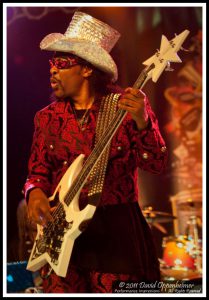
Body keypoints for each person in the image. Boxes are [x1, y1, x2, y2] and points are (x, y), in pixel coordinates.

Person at [24, 11, 168, 293]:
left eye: (62, 64)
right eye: (52, 64)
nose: (53, 70)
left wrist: (142, 121)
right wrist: (35, 192)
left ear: (87, 69)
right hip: (62, 232)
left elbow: (157, 164)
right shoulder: (46, 117)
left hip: (115, 231)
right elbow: (38, 171)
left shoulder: (125, 107)